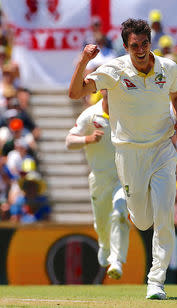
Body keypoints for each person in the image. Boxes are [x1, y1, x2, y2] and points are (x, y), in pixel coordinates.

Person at [68, 18, 177, 300]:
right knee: (143, 221)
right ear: (125, 46)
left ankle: (156, 280)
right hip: (129, 153)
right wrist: (84, 59)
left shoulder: (167, 68)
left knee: (164, 215)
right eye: (135, 46)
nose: (141, 50)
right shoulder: (114, 70)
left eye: (145, 44)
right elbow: (74, 93)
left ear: (151, 42)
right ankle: (134, 211)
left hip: (161, 150)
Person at [65, 98, 130, 280]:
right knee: (101, 223)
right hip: (100, 178)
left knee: (120, 212)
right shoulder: (90, 114)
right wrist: (88, 139)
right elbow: (69, 141)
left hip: (123, 178)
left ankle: (116, 260)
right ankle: (104, 244)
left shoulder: (130, 110)